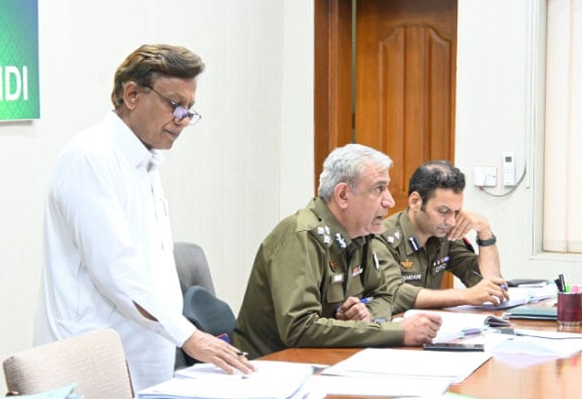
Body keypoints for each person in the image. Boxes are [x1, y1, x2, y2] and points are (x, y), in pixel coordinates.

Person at [33, 44, 254, 391]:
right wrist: (188, 335)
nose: (183, 119)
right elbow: (117, 272)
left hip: (145, 360)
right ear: (132, 95)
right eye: (174, 104)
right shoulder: (91, 157)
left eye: (189, 109)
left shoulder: (145, 159)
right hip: (91, 363)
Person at [233, 144, 443, 359]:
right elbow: (299, 328)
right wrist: (397, 332)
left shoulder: (361, 234)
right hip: (273, 365)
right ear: (343, 195)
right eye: (379, 189)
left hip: (327, 357)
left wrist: (367, 315)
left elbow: (383, 295)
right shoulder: (302, 237)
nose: (389, 201)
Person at [371, 160, 509, 314]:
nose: (451, 221)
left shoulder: (444, 234)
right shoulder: (381, 239)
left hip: (429, 323)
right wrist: (464, 296)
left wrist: (484, 231)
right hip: (391, 326)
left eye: (456, 212)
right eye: (443, 211)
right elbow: (394, 294)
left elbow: (489, 283)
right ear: (415, 202)